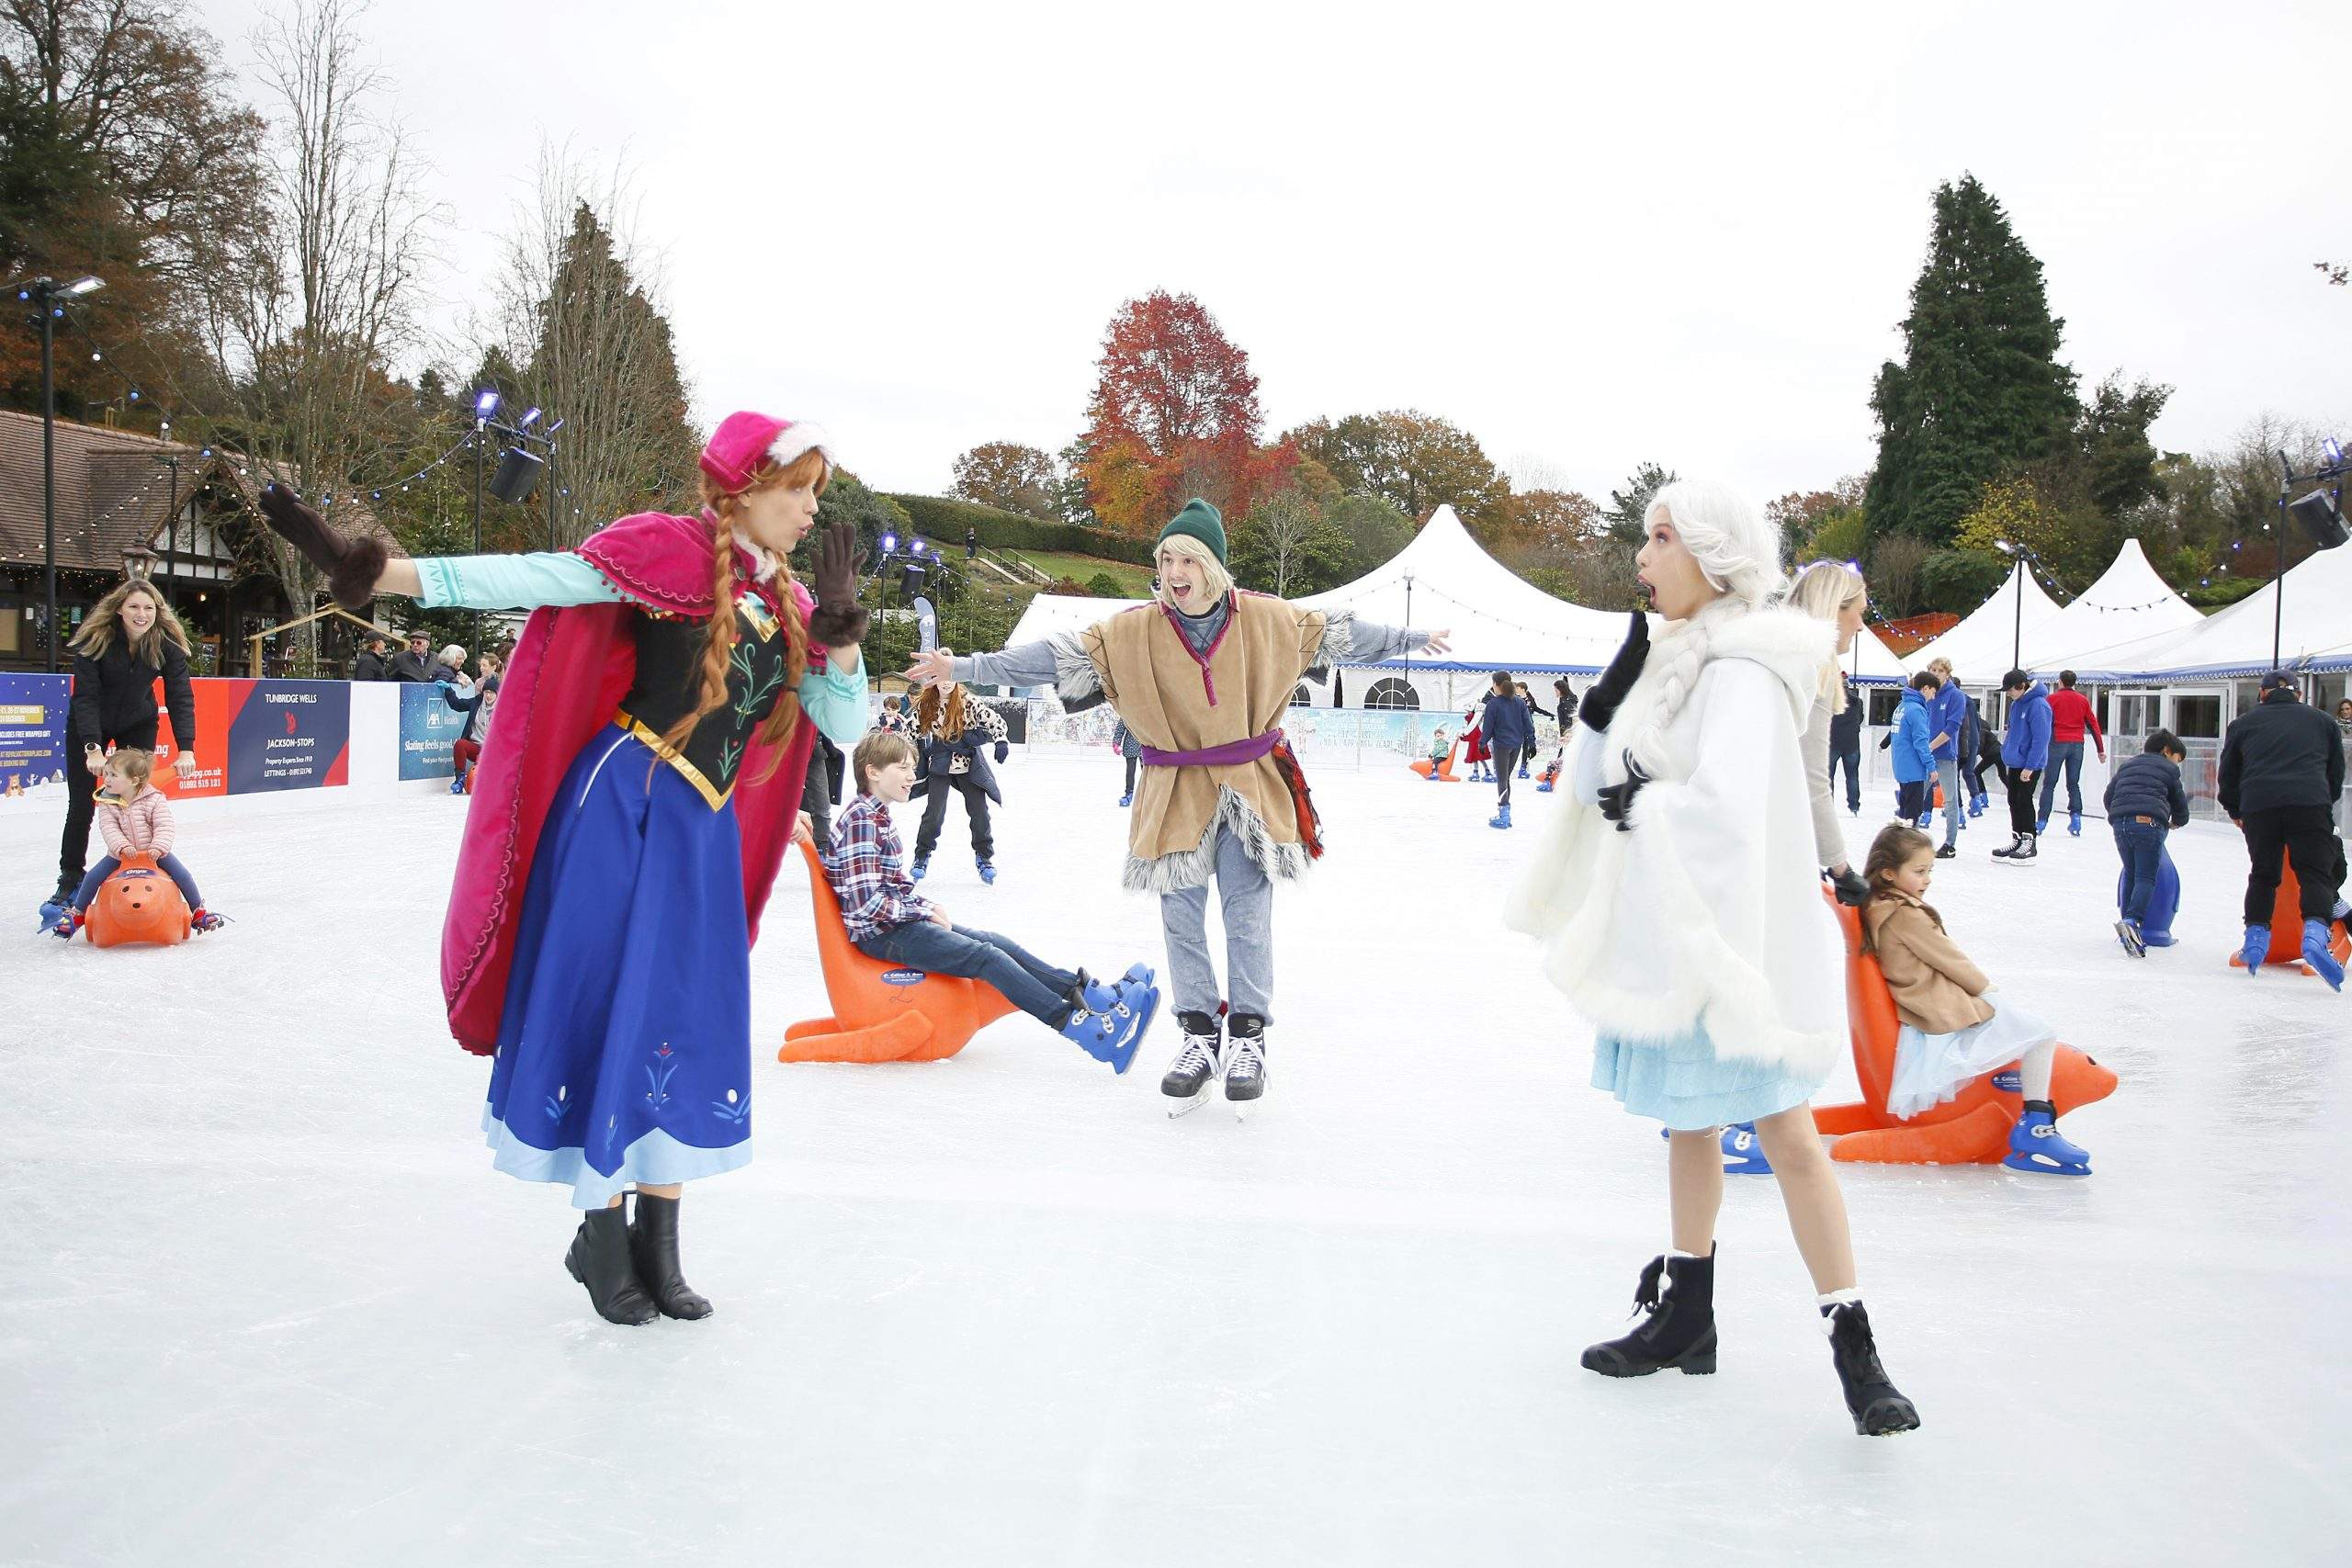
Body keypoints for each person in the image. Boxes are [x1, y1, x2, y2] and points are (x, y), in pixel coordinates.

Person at [251, 408, 871, 1325]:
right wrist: (384, 572)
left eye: (817, 492)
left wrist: (843, 639)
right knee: (612, 1002)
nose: (814, 509)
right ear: (745, 490)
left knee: (681, 1016)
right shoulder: (661, 551)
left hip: (700, 834)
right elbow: (535, 573)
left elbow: (848, 726)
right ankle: (601, 1232)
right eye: (800, 489)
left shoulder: (794, 600)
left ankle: (659, 1243)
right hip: (621, 808)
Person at [1505, 479, 1918, 1438]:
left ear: (1711, 554)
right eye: (1644, 537)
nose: (1641, 556)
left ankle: (1855, 1345)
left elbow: (1728, 813)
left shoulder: (1744, 669)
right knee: (1687, 1126)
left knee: (1790, 1137)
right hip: (1673, 941)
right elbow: (1597, 789)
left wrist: (1645, 801)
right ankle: (1687, 1312)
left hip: (1734, 944)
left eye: (1661, 538)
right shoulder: (1672, 658)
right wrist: (1603, 709)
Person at [907, 497, 1445, 1115]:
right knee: (1181, 919)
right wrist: (964, 665)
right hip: (1174, 792)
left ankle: (1248, 1037)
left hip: (1247, 787)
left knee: (1246, 915)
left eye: (1186, 559)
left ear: (1212, 564)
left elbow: (1339, 632)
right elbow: (1054, 654)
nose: (1173, 572)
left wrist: (1408, 637)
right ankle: (1198, 1035)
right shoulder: (1133, 631)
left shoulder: (1268, 619)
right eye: (1165, 560)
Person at [825, 729, 1159, 1066]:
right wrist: (921, 913)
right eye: (902, 768)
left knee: (996, 943)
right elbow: (867, 903)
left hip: (893, 925)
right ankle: (1088, 1032)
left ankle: (1092, 995)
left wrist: (925, 907)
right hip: (883, 935)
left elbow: (891, 884)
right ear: (873, 771)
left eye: (913, 766)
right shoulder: (862, 822)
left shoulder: (874, 815)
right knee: (987, 958)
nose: (913, 775)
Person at [1858, 825, 2086, 1174]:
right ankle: (2037, 1126)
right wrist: (1989, 993)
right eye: (1919, 871)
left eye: (1930, 870)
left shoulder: (1880, 905)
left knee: (2029, 1033)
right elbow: (1950, 959)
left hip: (1925, 1008)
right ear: (1889, 873)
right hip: (1938, 1016)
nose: (1927, 879)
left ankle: (2034, 1123)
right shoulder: (1905, 914)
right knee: (2040, 1034)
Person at [47, 579, 199, 919]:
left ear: (157, 611)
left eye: (148, 608)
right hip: (90, 725)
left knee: (137, 801)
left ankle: (140, 866)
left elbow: (180, 696)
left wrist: (186, 749)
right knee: (83, 802)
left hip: (137, 722)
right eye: (133, 607)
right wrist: (92, 748)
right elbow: (86, 697)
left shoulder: (165, 644)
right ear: (120, 609)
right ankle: (70, 877)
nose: (141, 614)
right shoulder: (96, 641)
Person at [2219, 672, 2347, 987]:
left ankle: (2256, 939)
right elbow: (2335, 772)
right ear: (2299, 694)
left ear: (2262, 694)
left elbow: (2228, 774)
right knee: (2314, 875)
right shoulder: (2323, 721)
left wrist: (2236, 810)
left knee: (2263, 874)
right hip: (2310, 803)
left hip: (2259, 805)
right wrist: (2322, 801)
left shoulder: (2242, 724)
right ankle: (2315, 935)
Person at [47, 747, 224, 937]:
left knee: (183, 875)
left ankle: (197, 911)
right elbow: (109, 827)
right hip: (119, 855)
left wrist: (158, 847)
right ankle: (78, 914)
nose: (106, 779)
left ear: (133, 781)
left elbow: (164, 825)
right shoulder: (107, 801)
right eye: (107, 774)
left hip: (154, 853)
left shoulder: (154, 799)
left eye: (113, 775)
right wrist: (122, 847)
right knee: (91, 877)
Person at [1786, 560, 1871, 903]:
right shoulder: (1813, 666)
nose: (1861, 626)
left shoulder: (1776, 655)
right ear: (1834, 609)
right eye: (1859, 613)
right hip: (1766, 835)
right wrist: (1841, 868)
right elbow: (1811, 780)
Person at [909, 682, 1009, 883]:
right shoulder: (927, 704)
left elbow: (994, 720)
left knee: (979, 811)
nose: (946, 683)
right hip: (940, 763)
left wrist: (1001, 740)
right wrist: (893, 752)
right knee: (934, 813)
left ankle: (984, 856)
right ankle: (922, 855)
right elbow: (908, 730)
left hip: (968, 764)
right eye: (941, 678)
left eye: (950, 677)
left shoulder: (968, 702)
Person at [2104, 728, 2190, 957]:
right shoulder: (2169, 769)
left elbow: (2108, 797)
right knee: (2145, 877)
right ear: (2167, 751)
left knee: (2132, 873)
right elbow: (2179, 804)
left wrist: (2121, 815)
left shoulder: (2128, 765)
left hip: (2120, 825)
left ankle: (2127, 923)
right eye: (2177, 758)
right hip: (2148, 824)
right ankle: (2132, 923)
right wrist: (2177, 821)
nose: (2177, 764)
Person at [1993, 669, 2052, 864]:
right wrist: (2007, 751)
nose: (2009, 694)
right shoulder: (2016, 704)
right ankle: (2017, 839)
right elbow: (2012, 731)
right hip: (2015, 761)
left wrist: (2030, 766)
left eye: (2010, 690)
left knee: (2024, 800)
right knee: (2013, 800)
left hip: (2030, 764)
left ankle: (2029, 841)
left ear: (2021, 686)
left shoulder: (2039, 705)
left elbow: (2041, 738)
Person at [2037, 670, 2106, 835]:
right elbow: (2093, 724)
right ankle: (2076, 818)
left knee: (2049, 783)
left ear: (2060, 681)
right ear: (2074, 683)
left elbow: (2043, 723)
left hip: (2057, 742)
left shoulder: (2052, 699)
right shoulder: (2083, 700)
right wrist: (2100, 750)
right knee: (2073, 783)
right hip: (2077, 744)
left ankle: (2042, 821)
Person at [441, 651, 502, 795]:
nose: (488, 696)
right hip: (477, 748)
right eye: (486, 692)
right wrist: (448, 690)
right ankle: (459, 780)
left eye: (491, 693)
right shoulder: (477, 702)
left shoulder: (502, 710)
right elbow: (458, 704)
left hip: (494, 752)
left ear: (497, 694)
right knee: (460, 744)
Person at [1924, 657, 1968, 856]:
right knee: (1917, 795)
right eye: (1933, 670)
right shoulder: (1926, 694)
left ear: (1948, 674)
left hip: (1945, 755)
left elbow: (1952, 727)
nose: (1935, 674)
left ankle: (1950, 843)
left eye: (1940, 671)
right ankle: (1909, 837)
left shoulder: (1956, 696)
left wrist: (1930, 746)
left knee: (1950, 800)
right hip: (1925, 755)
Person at [1480, 670, 1534, 829]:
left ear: (1497, 685)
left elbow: (1488, 727)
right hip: (1516, 745)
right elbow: (1528, 724)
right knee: (1506, 778)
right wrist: (1532, 743)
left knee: (1502, 779)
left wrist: (1482, 743)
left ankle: (1504, 815)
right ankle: (1505, 814)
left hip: (1502, 746)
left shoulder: (1493, 704)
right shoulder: (1520, 702)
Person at [1891, 671, 1939, 827]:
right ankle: (1908, 842)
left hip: (1901, 766)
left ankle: (1901, 840)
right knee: (1912, 817)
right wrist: (1931, 766)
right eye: (1933, 692)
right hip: (1913, 769)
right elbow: (1921, 742)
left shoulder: (1901, 707)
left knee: (1904, 814)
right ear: (1925, 688)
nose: (1933, 697)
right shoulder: (1917, 710)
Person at [1112, 716, 1141, 807]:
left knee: (1147, 773)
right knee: (1130, 772)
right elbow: (1120, 728)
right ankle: (1129, 793)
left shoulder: (1148, 712)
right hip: (1131, 745)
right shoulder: (1127, 712)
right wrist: (1116, 743)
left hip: (1146, 746)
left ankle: (1146, 793)